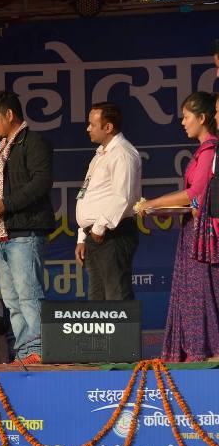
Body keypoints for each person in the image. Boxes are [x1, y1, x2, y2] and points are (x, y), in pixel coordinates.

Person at [0, 91, 54, 365]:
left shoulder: (33, 142)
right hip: (4, 233)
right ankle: (24, 351)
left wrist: (5, 204)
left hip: (25, 232)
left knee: (29, 295)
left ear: (9, 115)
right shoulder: (3, 149)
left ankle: (39, 350)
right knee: (12, 300)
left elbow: (41, 183)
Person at [136, 92, 219, 362]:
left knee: (202, 292)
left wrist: (153, 203)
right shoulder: (202, 151)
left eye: (186, 117)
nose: (182, 122)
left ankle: (206, 350)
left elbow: (196, 194)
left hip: (202, 235)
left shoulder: (211, 150)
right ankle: (195, 350)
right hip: (192, 229)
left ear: (202, 118)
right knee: (191, 291)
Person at [74, 102, 141, 300]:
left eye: (92, 124)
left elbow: (123, 196)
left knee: (116, 296)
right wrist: (82, 236)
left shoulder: (123, 153)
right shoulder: (100, 154)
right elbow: (88, 194)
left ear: (108, 127)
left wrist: (99, 228)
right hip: (96, 235)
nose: (88, 128)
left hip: (113, 234)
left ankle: (122, 326)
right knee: (97, 298)